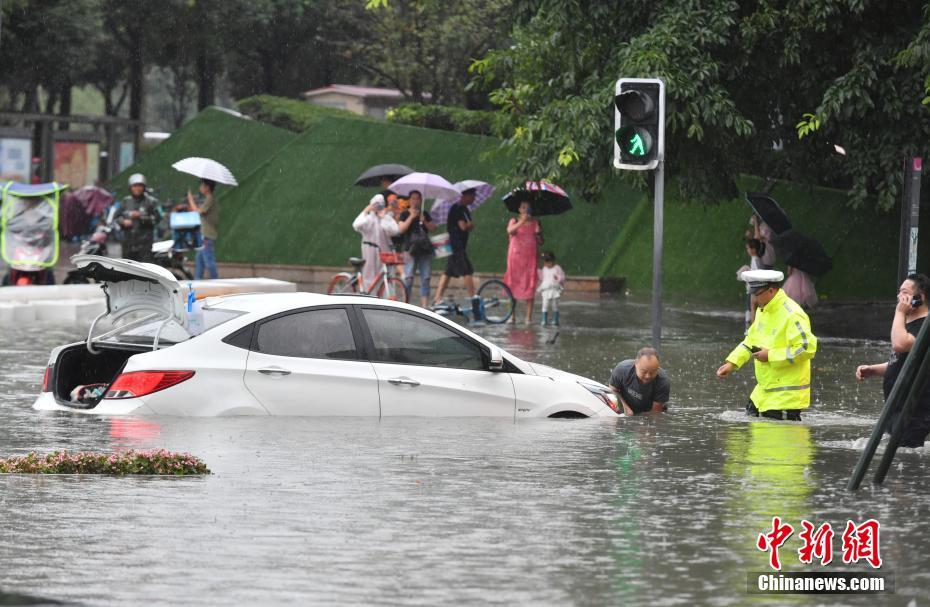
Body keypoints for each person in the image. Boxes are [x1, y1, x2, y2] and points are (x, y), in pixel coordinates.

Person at [716, 269, 818, 420]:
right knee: (754, 433)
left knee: (771, 441)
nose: (754, 298)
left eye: (757, 294)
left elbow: (807, 348)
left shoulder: (792, 314)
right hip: (763, 393)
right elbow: (750, 340)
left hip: (785, 398)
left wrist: (770, 355)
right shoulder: (764, 310)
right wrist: (732, 363)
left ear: (771, 290)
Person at [855, 273, 930, 447]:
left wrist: (899, 312)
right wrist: (873, 369)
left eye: (904, 292)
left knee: (905, 464)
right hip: (897, 408)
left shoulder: (925, 325)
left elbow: (899, 345)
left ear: (920, 297)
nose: (899, 297)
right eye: (899, 292)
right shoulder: (911, 324)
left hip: (914, 410)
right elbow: (902, 361)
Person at [433, 188, 478, 316]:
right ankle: (474, 297)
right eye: (472, 196)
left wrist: (469, 225)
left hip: (459, 246)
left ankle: (437, 298)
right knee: (467, 271)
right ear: (465, 196)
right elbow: (463, 227)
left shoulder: (465, 210)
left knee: (448, 272)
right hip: (456, 245)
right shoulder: (457, 208)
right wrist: (469, 225)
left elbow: (467, 226)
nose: (474, 198)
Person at [504, 200, 543, 324]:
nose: (526, 210)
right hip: (515, 258)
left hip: (530, 259)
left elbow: (541, 241)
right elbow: (510, 231)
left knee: (530, 285)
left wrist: (538, 234)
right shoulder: (514, 221)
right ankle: (512, 315)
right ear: (519, 210)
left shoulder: (535, 223)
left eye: (528, 207)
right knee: (513, 285)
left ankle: (528, 317)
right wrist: (522, 221)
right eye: (523, 207)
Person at [352, 194, 400, 289]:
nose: (378, 207)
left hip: (384, 253)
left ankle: (386, 297)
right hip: (369, 251)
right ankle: (367, 296)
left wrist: (383, 218)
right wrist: (366, 210)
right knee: (369, 276)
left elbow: (395, 231)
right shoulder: (367, 219)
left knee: (386, 276)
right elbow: (356, 225)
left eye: (381, 204)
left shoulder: (386, 218)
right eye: (376, 204)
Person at [397, 190, 435, 307]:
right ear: (409, 200)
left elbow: (433, 228)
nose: (415, 201)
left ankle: (424, 306)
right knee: (408, 278)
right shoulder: (404, 214)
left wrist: (424, 221)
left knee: (426, 278)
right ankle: (406, 304)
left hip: (425, 250)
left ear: (421, 200)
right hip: (410, 250)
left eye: (418, 198)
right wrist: (412, 217)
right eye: (413, 198)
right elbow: (401, 229)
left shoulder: (425, 213)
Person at [608, 347, 671, 415]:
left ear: (658, 367)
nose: (648, 376)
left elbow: (655, 413)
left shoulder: (663, 382)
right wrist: (624, 407)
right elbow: (612, 389)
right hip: (626, 406)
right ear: (636, 364)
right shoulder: (622, 369)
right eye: (644, 371)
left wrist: (637, 420)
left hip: (647, 412)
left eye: (652, 372)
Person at [115, 173, 159, 262]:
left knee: (144, 270)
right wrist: (123, 221)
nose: (137, 188)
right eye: (134, 186)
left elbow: (157, 219)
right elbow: (116, 217)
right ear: (130, 187)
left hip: (145, 244)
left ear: (144, 187)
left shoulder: (151, 202)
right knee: (127, 271)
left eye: (140, 186)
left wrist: (141, 217)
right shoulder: (126, 201)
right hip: (128, 243)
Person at [188, 178, 220, 279]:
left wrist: (190, 199)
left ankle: (216, 282)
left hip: (206, 236)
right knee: (200, 262)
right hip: (203, 236)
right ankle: (197, 283)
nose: (200, 188)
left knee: (209, 262)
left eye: (202, 185)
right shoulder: (208, 199)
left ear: (207, 187)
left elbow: (198, 212)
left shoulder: (210, 198)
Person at [537, 251, 564, 326]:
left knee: (554, 305)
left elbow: (562, 276)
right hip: (546, 289)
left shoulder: (557, 268)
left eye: (547, 262)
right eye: (545, 262)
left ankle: (555, 319)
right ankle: (544, 319)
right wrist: (538, 272)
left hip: (554, 289)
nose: (545, 264)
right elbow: (542, 277)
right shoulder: (544, 269)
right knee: (545, 304)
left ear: (552, 261)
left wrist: (558, 278)